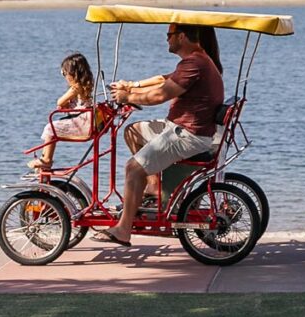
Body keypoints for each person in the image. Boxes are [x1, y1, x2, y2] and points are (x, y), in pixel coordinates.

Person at [93, 23, 223, 247]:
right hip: (182, 127)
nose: (166, 39)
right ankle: (153, 190)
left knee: (133, 168)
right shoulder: (195, 60)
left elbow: (160, 95)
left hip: (187, 134)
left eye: (169, 35)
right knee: (133, 132)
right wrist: (131, 87)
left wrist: (127, 97)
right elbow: (163, 80)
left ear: (181, 37)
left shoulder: (195, 63)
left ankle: (123, 230)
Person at [28, 52, 95, 170]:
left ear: (73, 74)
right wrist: (68, 106)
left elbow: (59, 101)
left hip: (82, 123)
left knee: (50, 128)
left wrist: (63, 104)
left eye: (64, 73)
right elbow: (79, 105)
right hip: (85, 120)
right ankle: (45, 158)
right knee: (55, 128)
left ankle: (47, 160)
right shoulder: (84, 86)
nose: (64, 76)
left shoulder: (75, 88)